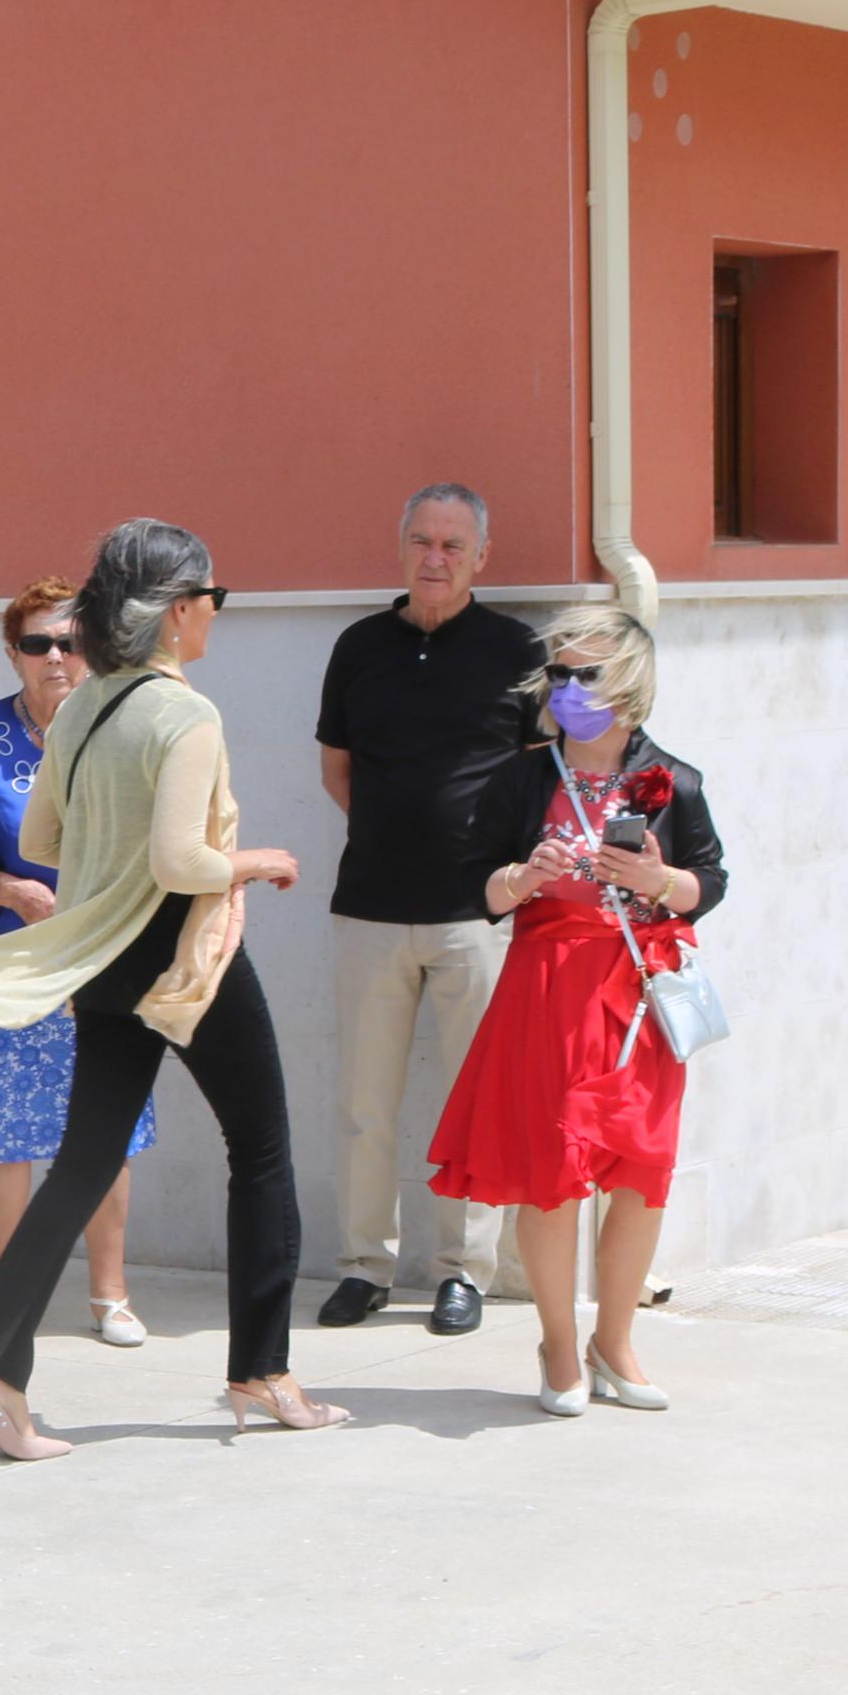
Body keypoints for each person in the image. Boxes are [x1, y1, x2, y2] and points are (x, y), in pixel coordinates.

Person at [0, 519, 332, 1454]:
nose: (215, 615)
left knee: (83, 1162)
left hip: (101, 954)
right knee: (259, 1148)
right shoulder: (185, 713)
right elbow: (184, 861)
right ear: (180, 611)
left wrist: (121, 851)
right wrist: (251, 860)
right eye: (212, 598)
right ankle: (262, 1372)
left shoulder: (85, 704)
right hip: (184, 954)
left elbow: (48, 844)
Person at [428, 604, 728, 1417]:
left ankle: (615, 1341)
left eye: (583, 673)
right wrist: (524, 875)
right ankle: (558, 1345)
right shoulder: (521, 777)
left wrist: (657, 881)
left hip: (635, 994)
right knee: (553, 1177)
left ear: (628, 681)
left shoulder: (674, 781)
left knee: (639, 1172)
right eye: (556, 673)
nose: (565, 688)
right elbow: (476, 888)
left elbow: (710, 884)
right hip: (546, 987)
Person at [314, 484, 547, 1338]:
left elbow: (535, 779)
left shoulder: (517, 651)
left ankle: (462, 1272)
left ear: (480, 556)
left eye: (453, 544)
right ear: (400, 546)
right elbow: (336, 771)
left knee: (470, 1103)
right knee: (363, 1103)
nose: (435, 558)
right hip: (370, 907)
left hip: (475, 917)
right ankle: (363, 1267)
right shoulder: (359, 647)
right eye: (421, 540)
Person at [0, 580, 153, 1347]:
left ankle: (108, 1293)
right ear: (11, 652)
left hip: (101, 959)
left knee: (106, 1130)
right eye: (37, 643)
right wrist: (7, 889)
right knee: (2, 1138)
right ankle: (1, 1297)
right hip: (7, 966)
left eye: (71, 641)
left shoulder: (121, 728)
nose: (56, 657)